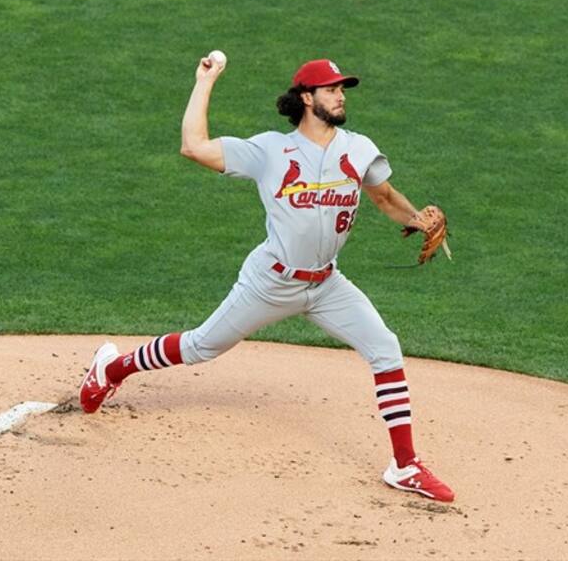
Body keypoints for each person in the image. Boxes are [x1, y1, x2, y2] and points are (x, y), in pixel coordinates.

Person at [79, 56, 454, 502]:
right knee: (202, 346)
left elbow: (384, 196)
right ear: (306, 98)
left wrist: (417, 217)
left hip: (327, 285)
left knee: (385, 347)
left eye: (342, 88)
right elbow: (193, 146)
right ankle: (112, 367)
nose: (341, 95)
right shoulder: (269, 151)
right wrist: (205, 81)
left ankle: (404, 465)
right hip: (270, 283)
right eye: (332, 88)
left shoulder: (358, 148)